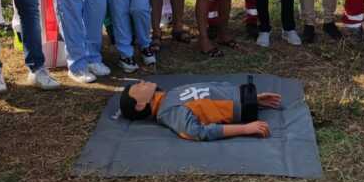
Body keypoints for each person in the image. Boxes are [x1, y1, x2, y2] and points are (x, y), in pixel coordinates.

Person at [119, 80, 282, 140]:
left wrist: (255, 99)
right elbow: (198, 132)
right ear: (140, 105)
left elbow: (210, 91)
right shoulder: (169, 112)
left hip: (245, 97)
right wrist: (245, 129)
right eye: (137, 87)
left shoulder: (170, 94)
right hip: (244, 110)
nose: (141, 81)